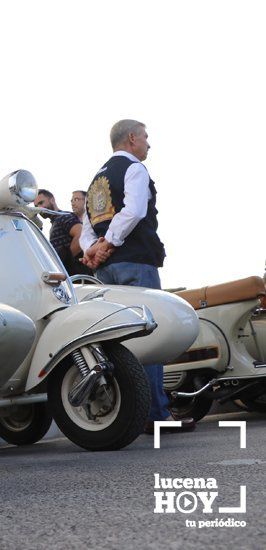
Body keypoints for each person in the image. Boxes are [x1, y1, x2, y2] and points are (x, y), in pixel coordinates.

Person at [80, 119, 193, 435]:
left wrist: (94, 250)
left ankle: (132, 412)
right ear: (132, 139)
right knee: (151, 338)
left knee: (119, 342)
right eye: (145, 137)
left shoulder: (96, 179)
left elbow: (87, 226)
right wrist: (110, 243)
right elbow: (134, 211)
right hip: (135, 263)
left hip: (105, 271)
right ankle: (156, 414)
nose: (148, 143)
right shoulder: (135, 170)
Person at [33, 189, 92, 276]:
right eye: (36, 206)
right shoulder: (56, 221)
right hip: (71, 275)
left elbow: (81, 236)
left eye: (41, 203)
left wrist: (63, 262)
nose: (39, 208)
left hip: (78, 275)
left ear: (52, 200)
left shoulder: (64, 216)